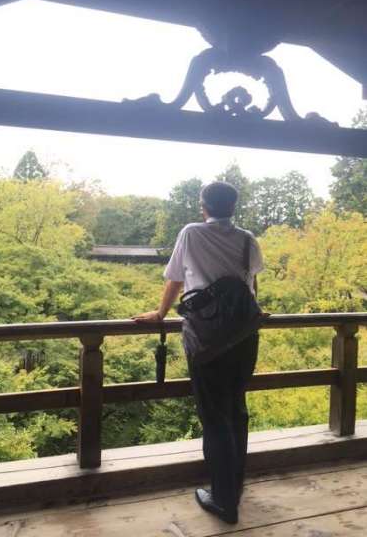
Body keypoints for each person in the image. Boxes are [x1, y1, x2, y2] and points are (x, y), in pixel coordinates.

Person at [133, 181, 264, 524]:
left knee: (215, 416)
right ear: (233, 206)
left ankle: (223, 501)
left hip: (206, 340)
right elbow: (251, 286)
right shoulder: (247, 239)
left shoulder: (191, 233)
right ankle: (234, 485)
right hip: (244, 337)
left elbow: (175, 279)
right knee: (236, 409)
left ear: (203, 207)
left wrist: (160, 313)